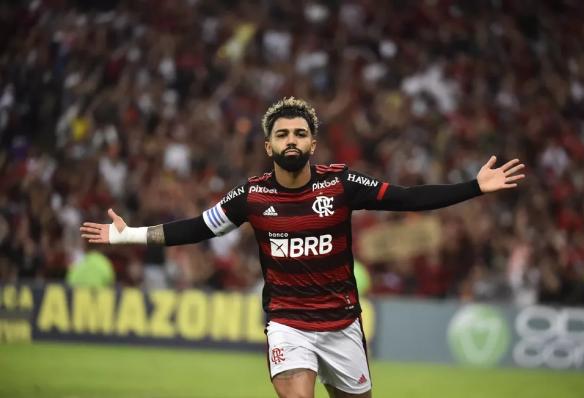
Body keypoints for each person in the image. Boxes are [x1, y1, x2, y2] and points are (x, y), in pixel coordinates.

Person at [80, 97, 525, 398]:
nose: (291, 139)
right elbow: (197, 228)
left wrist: (474, 187)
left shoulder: (341, 184)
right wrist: (129, 235)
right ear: (269, 145)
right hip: (288, 323)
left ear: (312, 142)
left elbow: (408, 197)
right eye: (282, 134)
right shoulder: (250, 197)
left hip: (342, 325)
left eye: (299, 133)